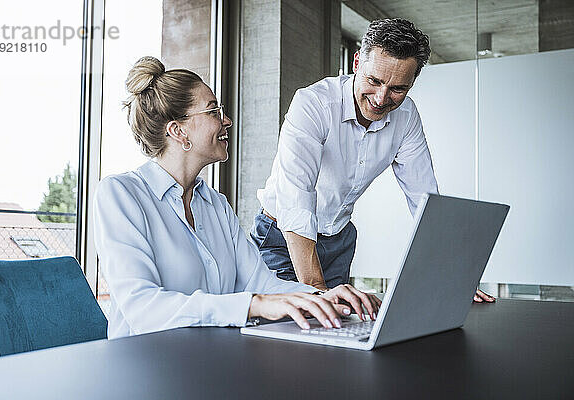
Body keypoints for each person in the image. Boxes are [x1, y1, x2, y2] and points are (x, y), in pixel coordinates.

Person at [93, 56, 382, 340]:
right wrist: (253, 304)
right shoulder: (120, 194)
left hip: (209, 360)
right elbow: (142, 309)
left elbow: (262, 283)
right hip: (145, 367)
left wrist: (325, 296)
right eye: (213, 112)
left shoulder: (215, 205)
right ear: (178, 131)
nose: (226, 120)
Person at [251, 18, 494, 303]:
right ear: (356, 63)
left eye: (397, 89)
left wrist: (452, 275)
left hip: (339, 239)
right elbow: (296, 198)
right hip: (283, 238)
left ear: (412, 83)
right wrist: (317, 289)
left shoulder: (406, 118)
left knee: (334, 338)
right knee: (282, 334)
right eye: (374, 81)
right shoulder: (313, 104)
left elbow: (425, 199)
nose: (381, 99)